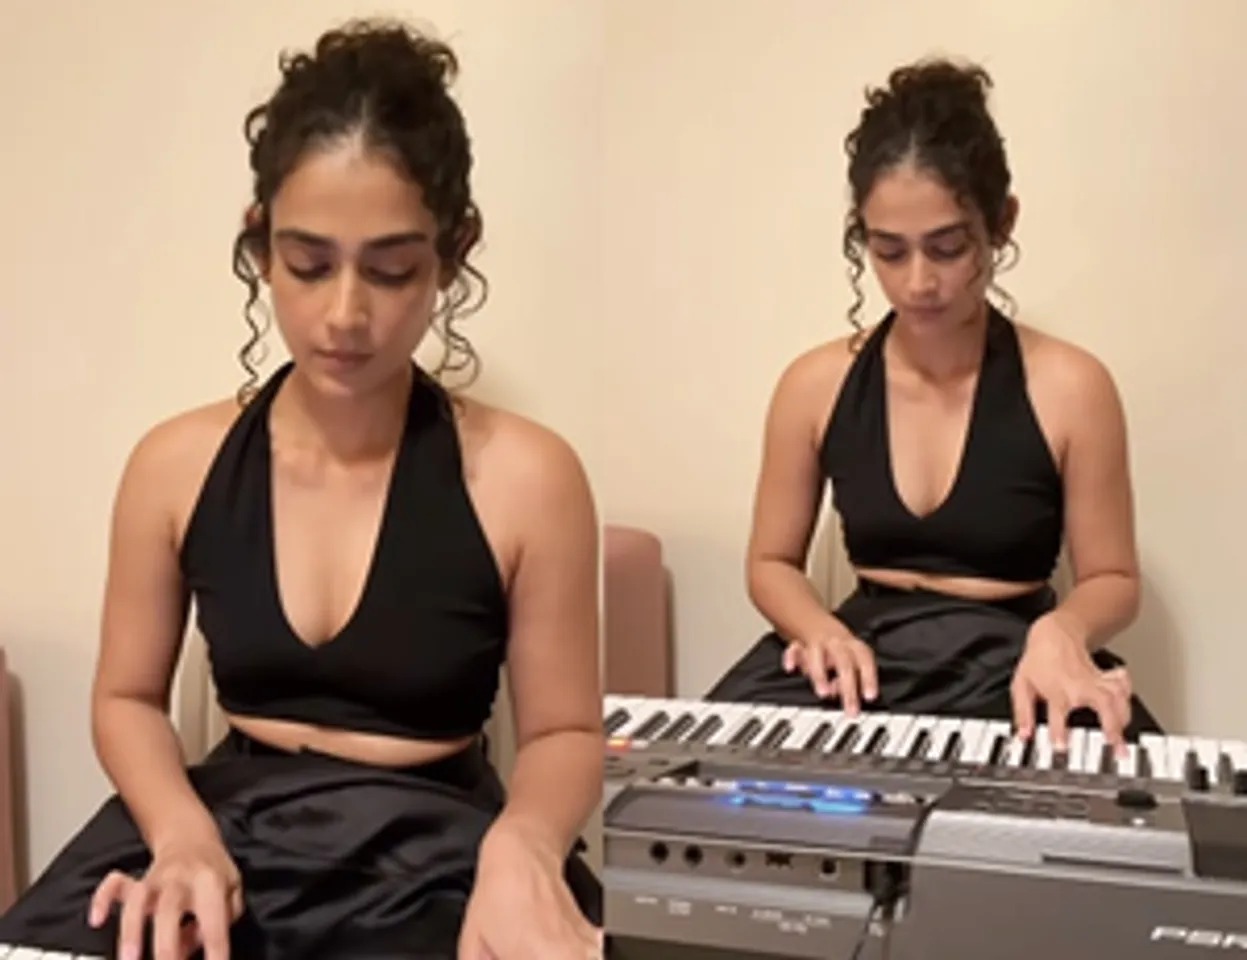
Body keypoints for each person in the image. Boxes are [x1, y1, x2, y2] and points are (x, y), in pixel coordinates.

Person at [0, 18, 603, 960]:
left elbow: (563, 728)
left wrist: (522, 846)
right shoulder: (174, 464)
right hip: (218, 832)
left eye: (392, 270)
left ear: (454, 251)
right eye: (309, 265)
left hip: (438, 848)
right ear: (260, 244)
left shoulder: (529, 476)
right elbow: (126, 697)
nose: (345, 314)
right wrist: (179, 833)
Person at [705, 57, 1162, 757]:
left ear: (1000, 224)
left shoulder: (1072, 386)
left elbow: (1112, 578)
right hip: (862, 656)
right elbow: (770, 561)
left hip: (1015, 658)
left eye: (946, 248)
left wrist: (1063, 632)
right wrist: (818, 631)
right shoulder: (813, 384)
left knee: (1120, 794)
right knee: (695, 775)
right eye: (888, 252)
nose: (918, 283)